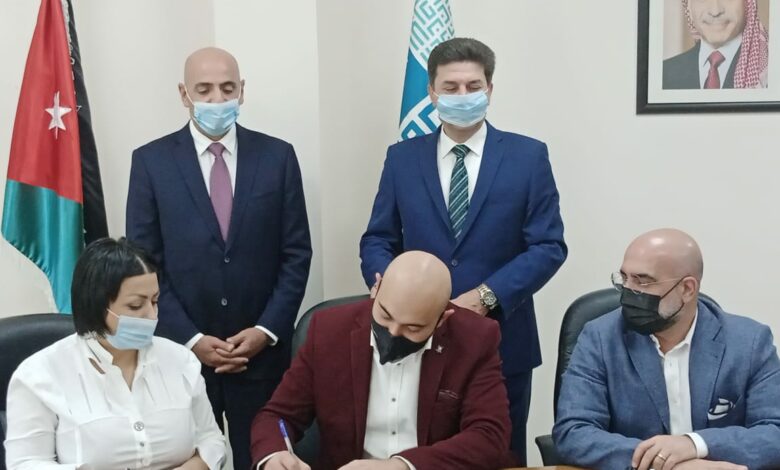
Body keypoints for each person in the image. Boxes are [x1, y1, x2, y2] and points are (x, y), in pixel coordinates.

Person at [359, 37, 566, 465]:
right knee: (423, 453)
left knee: (499, 455)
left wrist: (487, 296)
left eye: (473, 86)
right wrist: (389, 287)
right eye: (450, 87)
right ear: (432, 92)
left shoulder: (528, 156)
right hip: (415, 338)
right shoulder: (402, 159)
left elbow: (548, 246)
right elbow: (378, 239)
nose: (462, 95)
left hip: (502, 340)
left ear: (490, 88)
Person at [126, 47, 312, 470]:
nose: (217, 99)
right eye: (204, 89)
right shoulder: (151, 162)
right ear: (184, 94)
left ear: (242, 90)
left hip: (261, 359)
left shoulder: (278, 157)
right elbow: (143, 265)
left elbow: (296, 253)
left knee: (264, 460)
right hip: (180, 357)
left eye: (227, 88)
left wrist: (266, 330)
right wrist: (191, 338)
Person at [250, 251, 512, 470]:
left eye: (413, 328)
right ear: (377, 287)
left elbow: (489, 436)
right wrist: (274, 454)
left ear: (442, 318)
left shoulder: (474, 338)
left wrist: (401, 466)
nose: (394, 332)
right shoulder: (328, 330)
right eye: (385, 315)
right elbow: (278, 416)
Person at [553, 228, 780, 470]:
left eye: (643, 281)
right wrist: (668, 464)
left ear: (687, 289)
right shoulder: (600, 338)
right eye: (624, 278)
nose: (628, 292)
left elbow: (774, 432)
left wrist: (694, 444)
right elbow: (573, 432)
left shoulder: (749, 342)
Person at [4, 238, 225, 470]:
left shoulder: (180, 360)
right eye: (135, 306)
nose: (152, 316)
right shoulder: (39, 374)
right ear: (96, 305)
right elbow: (24, 464)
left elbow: (211, 439)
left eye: (154, 301)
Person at [663, 0, 768, 89]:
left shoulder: (769, 70)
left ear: (747, 4)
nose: (715, 11)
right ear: (689, 7)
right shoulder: (664, 74)